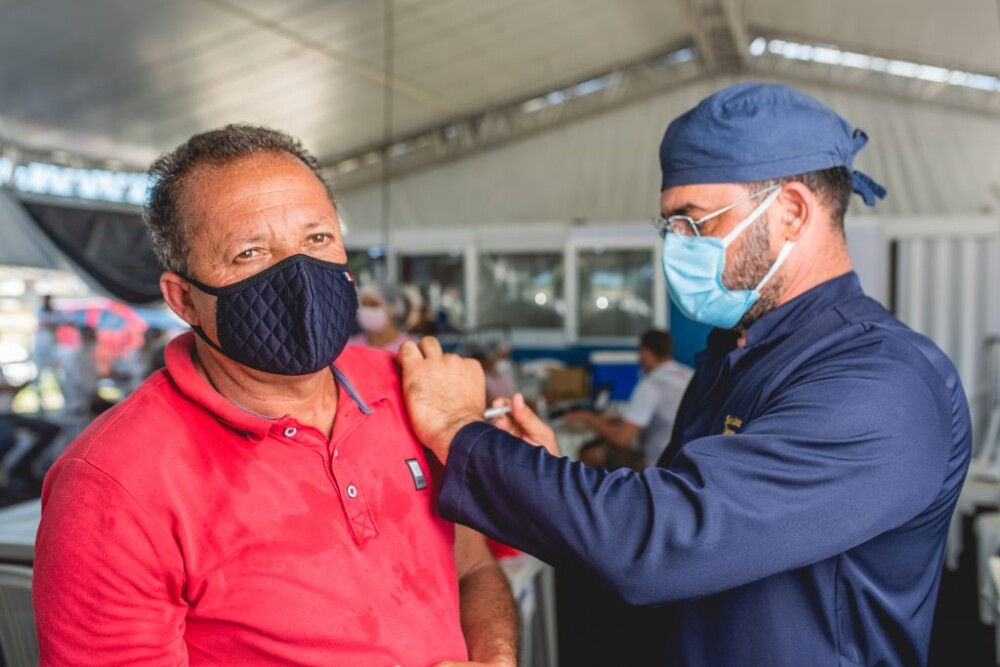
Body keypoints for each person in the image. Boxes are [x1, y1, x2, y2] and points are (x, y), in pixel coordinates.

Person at [398, 83, 972, 665]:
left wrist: (457, 428)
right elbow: (665, 525)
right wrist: (540, 476)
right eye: (669, 225)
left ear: (793, 211)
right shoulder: (736, 355)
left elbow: (659, 541)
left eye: (694, 223)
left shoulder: (881, 382)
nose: (675, 247)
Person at [33, 124, 516, 666]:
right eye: (250, 253)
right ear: (184, 299)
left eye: (317, 239)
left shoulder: (412, 392)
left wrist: (494, 658)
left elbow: (473, 568)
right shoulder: (113, 487)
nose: (300, 276)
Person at [568, 330, 692, 470]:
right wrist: (622, 420)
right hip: (688, 460)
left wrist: (588, 418)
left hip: (660, 465)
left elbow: (622, 440)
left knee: (590, 453)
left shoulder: (651, 384)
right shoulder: (689, 375)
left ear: (645, 353)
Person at [348, 281, 415, 353]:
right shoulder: (349, 346)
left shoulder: (409, 348)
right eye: (364, 304)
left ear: (393, 308)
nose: (367, 310)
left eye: (373, 304)